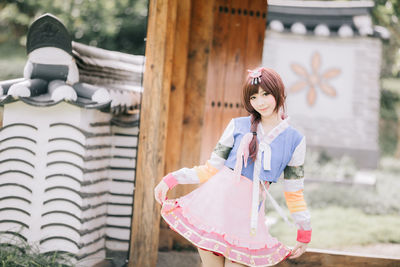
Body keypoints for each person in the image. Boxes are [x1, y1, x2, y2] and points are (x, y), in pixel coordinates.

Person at [154, 67, 311, 267]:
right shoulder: (237, 126)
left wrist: (304, 231)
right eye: (253, 97)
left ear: (280, 93)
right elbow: (210, 168)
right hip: (213, 210)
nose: (260, 102)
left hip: (247, 220)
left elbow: (294, 191)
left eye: (265, 94)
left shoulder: (295, 140)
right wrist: (172, 179)